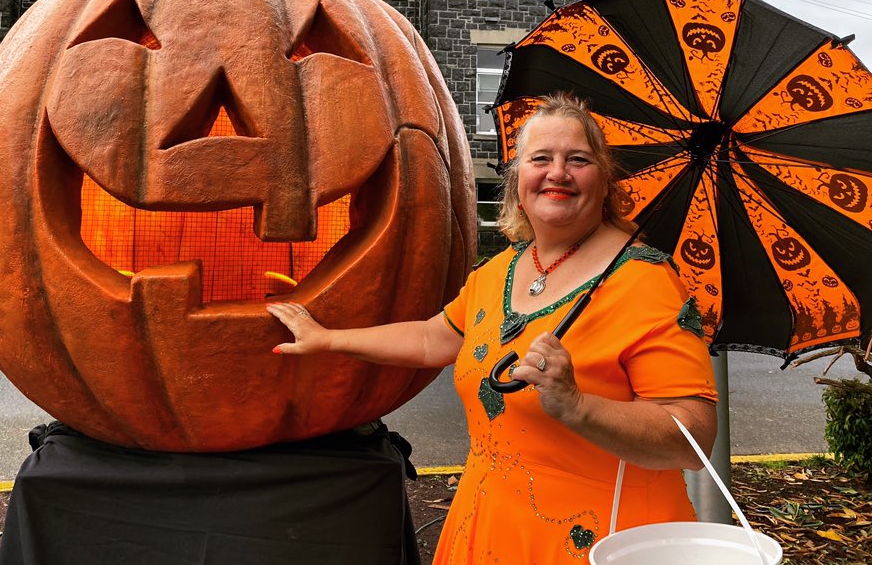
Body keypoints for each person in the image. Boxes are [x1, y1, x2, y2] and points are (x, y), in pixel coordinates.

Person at [268, 93, 718, 564]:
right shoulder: (498, 271)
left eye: (578, 160)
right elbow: (430, 339)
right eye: (540, 158)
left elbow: (694, 438)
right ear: (517, 179)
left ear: (605, 181)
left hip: (605, 538)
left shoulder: (645, 280)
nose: (557, 173)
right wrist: (327, 339)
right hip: (488, 523)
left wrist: (577, 405)